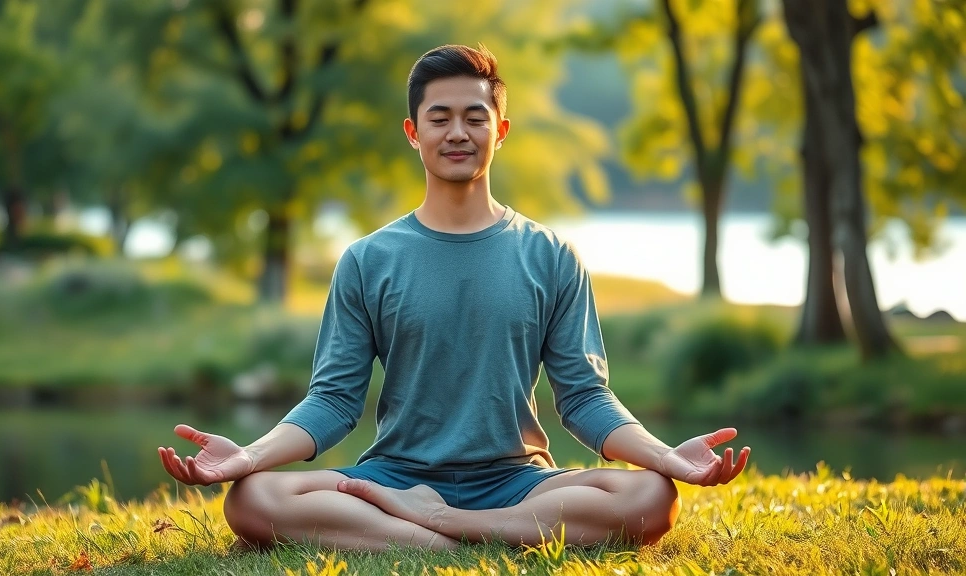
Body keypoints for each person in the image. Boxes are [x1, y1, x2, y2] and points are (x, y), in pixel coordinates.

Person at [158, 44, 750, 552]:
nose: (458, 133)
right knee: (254, 499)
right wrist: (249, 457)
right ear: (414, 133)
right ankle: (455, 531)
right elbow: (334, 402)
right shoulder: (368, 259)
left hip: (520, 480)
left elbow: (584, 398)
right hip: (394, 476)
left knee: (651, 497)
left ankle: (445, 526)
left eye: (475, 116)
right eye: (439, 118)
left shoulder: (551, 256)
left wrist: (667, 458)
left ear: (501, 130)